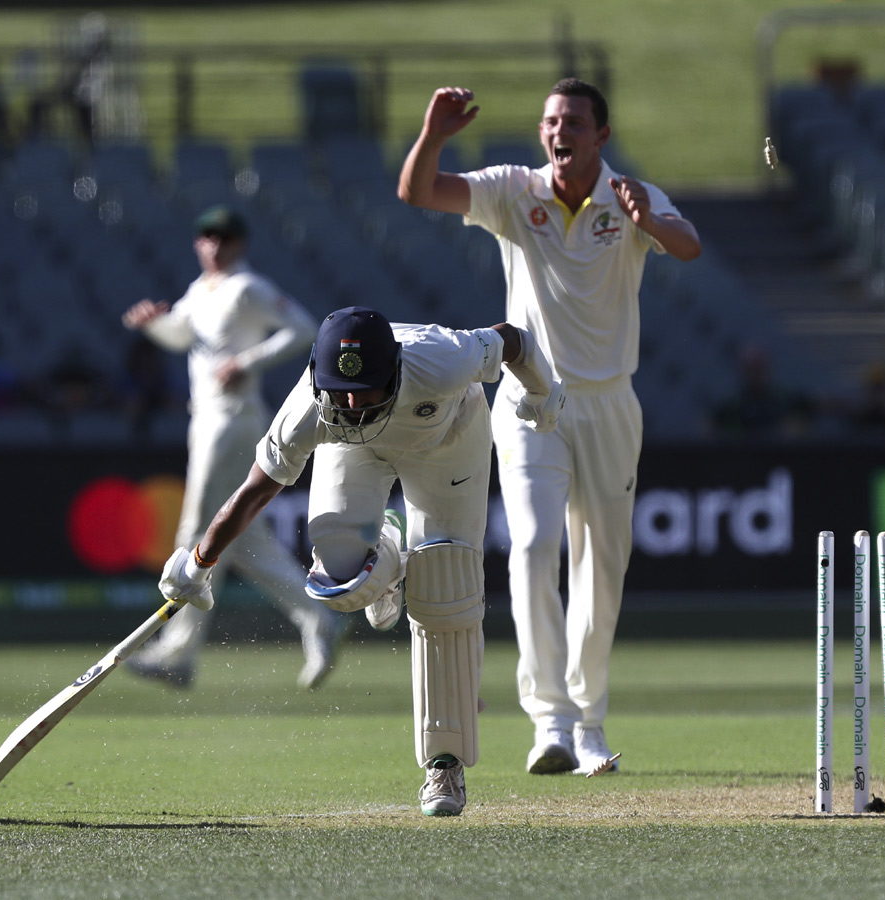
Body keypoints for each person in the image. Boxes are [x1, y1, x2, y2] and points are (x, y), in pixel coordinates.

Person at [398, 79, 702, 776]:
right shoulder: (515, 189)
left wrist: (647, 222)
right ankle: (550, 723)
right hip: (533, 398)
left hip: (610, 403)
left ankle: (589, 720)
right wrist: (435, 132)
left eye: (570, 122)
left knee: (602, 564)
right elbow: (420, 192)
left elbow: (688, 247)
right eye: (548, 121)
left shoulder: (632, 195)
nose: (555, 132)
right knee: (534, 545)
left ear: (600, 134)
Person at [152, 305, 565, 815]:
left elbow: (513, 339)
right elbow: (255, 491)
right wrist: (198, 562)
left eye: (365, 387)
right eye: (339, 391)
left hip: (449, 440)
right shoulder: (313, 403)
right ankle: (387, 543)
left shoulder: (441, 359)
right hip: (353, 452)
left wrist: (541, 392)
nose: (351, 401)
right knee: (340, 586)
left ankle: (444, 768)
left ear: (393, 369)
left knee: (445, 585)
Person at [121, 205, 341, 691]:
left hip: (233, 420)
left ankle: (178, 652)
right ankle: (317, 617)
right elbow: (182, 335)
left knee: (198, 529)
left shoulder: (248, 287)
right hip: (207, 421)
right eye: (206, 237)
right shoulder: (200, 291)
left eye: (223, 237)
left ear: (239, 243)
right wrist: (153, 323)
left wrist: (247, 360)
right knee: (243, 540)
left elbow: (303, 330)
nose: (214, 245)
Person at [709, 343, 817, 442]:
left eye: (758, 369)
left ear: (768, 368)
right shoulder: (729, 407)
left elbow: (809, 413)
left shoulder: (787, 401)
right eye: (749, 369)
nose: (754, 375)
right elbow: (707, 431)